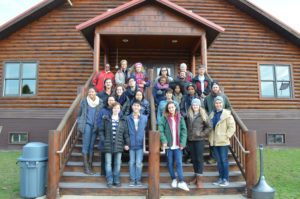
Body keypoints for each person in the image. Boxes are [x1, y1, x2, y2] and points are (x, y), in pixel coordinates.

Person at [158, 101, 189, 191]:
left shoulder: (180, 117)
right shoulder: (164, 118)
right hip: (169, 145)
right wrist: (163, 141)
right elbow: (161, 129)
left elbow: (184, 130)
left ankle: (181, 182)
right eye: (169, 108)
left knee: (179, 163)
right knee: (170, 163)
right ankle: (174, 179)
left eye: (172, 107)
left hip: (178, 145)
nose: (171, 109)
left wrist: (183, 143)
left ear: (175, 107)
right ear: (167, 109)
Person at [99, 102, 130, 187]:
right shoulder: (106, 118)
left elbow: (126, 133)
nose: (116, 110)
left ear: (120, 110)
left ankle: (116, 180)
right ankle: (109, 180)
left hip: (119, 144)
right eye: (115, 108)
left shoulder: (123, 120)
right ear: (112, 109)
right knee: (108, 163)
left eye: (118, 108)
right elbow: (101, 130)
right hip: (107, 144)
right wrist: (103, 140)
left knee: (117, 163)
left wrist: (127, 143)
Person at [209, 96, 235, 187]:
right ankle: (220, 178)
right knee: (219, 161)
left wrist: (226, 136)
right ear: (214, 104)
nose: (218, 104)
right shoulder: (212, 114)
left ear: (222, 104)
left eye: (220, 103)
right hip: (215, 141)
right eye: (216, 103)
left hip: (223, 142)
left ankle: (225, 179)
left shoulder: (227, 114)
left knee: (224, 160)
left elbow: (232, 127)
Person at [204, 81, 232, 164]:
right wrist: (207, 115)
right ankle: (212, 157)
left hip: (221, 121)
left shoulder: (224, 97)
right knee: (212, 140)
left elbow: (229, 107)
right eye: (213, 87)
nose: (215, 88)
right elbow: (204, 108)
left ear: (218, 88)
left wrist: (225, 114)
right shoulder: (207, 98)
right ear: (211, 88)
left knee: (220, 140)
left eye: (216, 87)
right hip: (211, 120)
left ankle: (220, 157)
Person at [186, 99, 212, 188]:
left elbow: (209, 127)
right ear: (191, 106)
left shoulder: (203, 115)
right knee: (194, 159)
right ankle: (196, 176)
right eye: (193, 105)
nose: (195, 106)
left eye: (196, 105)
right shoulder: (189, 115)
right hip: (191, 140)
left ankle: (199, 178)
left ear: (199, 106)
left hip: (199, 140)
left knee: (199, 158)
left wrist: (201, 134)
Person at [77, 86, 103, 175]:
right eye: (89, 92)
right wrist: (80, 122)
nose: (90, 93)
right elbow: (79, 113)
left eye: (92, 92)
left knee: (91, 146)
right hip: (87, 125)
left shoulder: (100, 102)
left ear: (96, 92)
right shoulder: (84, 101)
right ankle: (86, 167)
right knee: (86, 145)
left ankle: (90, 166)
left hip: (95, 126)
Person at [126, 100, 148, 186]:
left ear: (140, 107)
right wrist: (126, 143)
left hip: (140, 144)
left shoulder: (144, 118)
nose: (136, 107)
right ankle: (132, 179)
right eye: (134, 105)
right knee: (132, 161)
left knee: (139, 162)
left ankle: (138, 179)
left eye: (137, 106)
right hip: (131, 143)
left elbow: (144, 130)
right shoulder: (128, 118)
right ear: (132, 107)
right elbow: (126, 131)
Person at [97, 96, 117, 176]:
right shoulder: (103, 111)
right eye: (109, 100)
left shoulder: (117, 110)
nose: (111, 101)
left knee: (113, 156)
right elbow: (99, 122)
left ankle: (110, 172)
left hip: (114, 136)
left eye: (112, 100)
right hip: (105, 136)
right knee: (103, 154)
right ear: (107, 101)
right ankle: (103, 172)